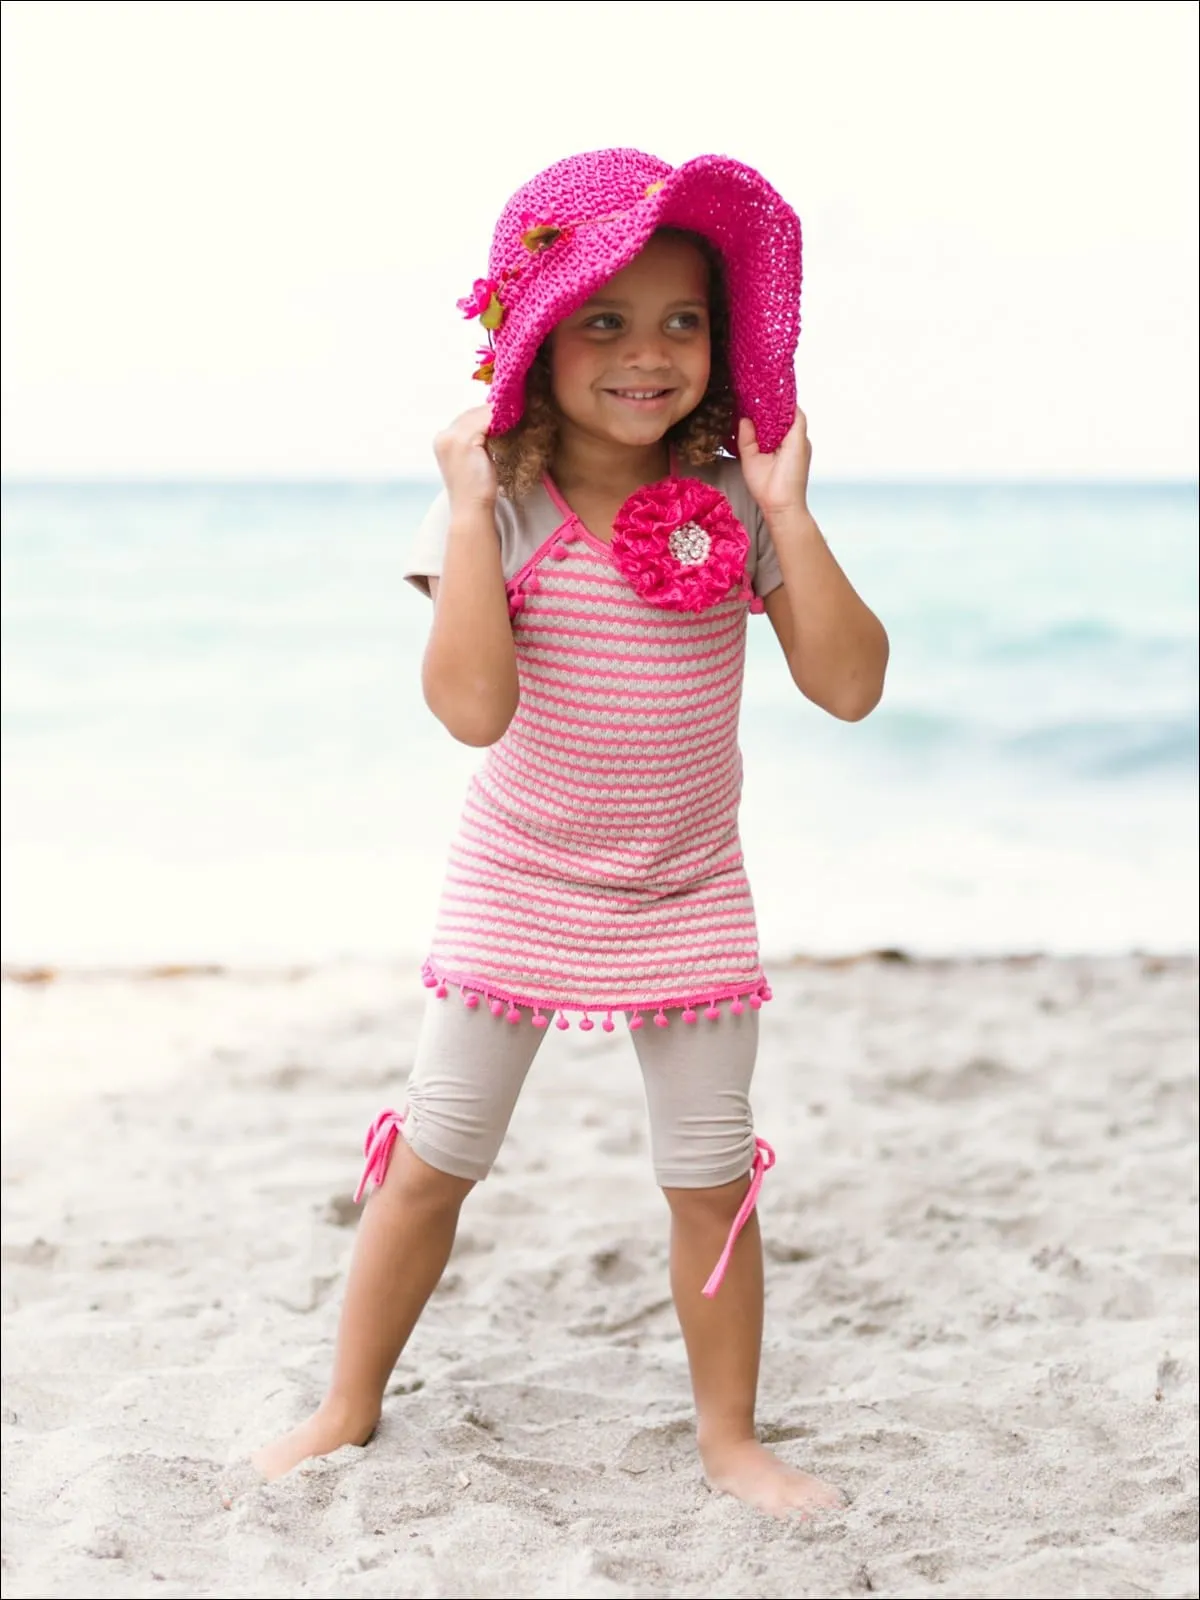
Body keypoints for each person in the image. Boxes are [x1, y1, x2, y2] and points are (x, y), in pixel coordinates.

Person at [254, 148, 889, 1515]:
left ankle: (730, 1440)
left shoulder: (732, 498)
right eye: (602, 319)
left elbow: (850, 687)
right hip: (521, 876)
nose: (644, 353)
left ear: (718, 346)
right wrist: (476, 508)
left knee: (711, 1176)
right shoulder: (501, 509)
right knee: (438, 1156)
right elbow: (471, 710)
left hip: (688, 884)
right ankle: (345, 1404)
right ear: (536, 342)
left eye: (680, 321)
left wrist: (785, 509)